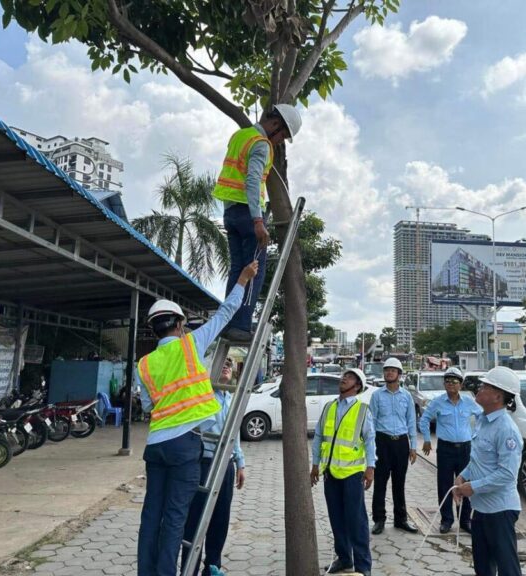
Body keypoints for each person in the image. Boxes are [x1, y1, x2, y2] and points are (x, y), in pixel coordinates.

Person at [136, 261, 258, 576]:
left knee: (152, 516)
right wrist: (243, 279)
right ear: (179, 324)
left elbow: (148, 405)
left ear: (154, 328)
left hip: (155, 446)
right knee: (176, 517)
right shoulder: (191, 346)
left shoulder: (145, 364)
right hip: (184, 446)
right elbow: (225, 313)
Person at [213, 104, 302, 342]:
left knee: (237, 270)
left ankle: (229, 321)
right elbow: (252, 180)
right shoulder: (261, 144)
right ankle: (241, 325)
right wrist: (258, 220)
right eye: (282, 135)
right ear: (274, 124)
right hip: (248, 214)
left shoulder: (240, 136)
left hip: (230, 212)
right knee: (254, 271)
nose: (280, 140)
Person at [453, 367, 524, 576]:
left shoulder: (506, 429)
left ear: (498, 396)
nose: (479, 389)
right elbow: (479, 460)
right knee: (483, 567)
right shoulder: (482, 420)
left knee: (507, 569)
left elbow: (507, 474)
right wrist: (464, 475)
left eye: (485, 386)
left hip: (500, 511)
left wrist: (472, 487)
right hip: (482, 510)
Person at [181, 357, 245, 576]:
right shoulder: (203, 395)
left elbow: (233, 432)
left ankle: (212, 567)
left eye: (229, 364)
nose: (226, 367)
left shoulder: (230, 397)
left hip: (225, 465)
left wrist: (240, 462)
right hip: (205, 462)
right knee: (196, 519)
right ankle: (189, 567)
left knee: (220, 518)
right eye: (222, 363)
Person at [310, 368, 375, 576]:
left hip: (352, 474)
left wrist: (370, 468)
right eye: (344, 376)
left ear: (357, 386)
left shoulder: (362, 410)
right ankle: (345, 559)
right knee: (336, 518)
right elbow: (319, 436)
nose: (343, 379)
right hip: (330, 472)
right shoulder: (329, 406)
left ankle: (363, 566)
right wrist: (315, 465)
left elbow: (370, 441)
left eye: (349, 377)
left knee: (356, 521)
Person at [419, 366, 483, 534]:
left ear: (460, 385)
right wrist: (426, 439)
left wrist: (476, 435)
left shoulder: (469, 402)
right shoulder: (438, 401)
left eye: (454, 382)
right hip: (445, 449)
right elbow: (424, 419)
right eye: (447, 381)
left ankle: (465, 520)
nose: (451, 385)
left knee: (465, 484)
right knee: (445, 485)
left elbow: (482, 416)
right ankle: (446, 520)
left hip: (465, 449)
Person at [369, 357, 418, 535]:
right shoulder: (376, 395)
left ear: (399, 374)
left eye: (393, 370)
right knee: (380, 482)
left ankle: (401, 519)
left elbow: (411, 421)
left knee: (399, 482)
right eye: (386, 370)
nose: (389, 372)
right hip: (382, 442)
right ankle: (379, 519)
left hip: (401, 443)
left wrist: (413, 447)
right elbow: (371, 421)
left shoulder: (406, 396)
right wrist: (371, 447)